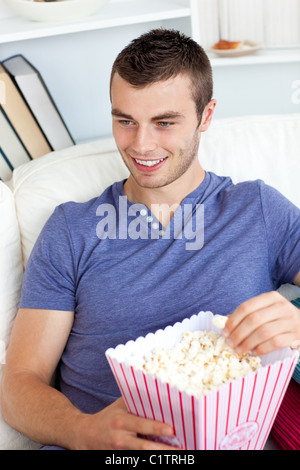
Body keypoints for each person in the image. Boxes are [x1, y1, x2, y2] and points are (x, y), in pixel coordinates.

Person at [1, 29, 300, 451]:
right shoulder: (72, 230)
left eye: (164, 123)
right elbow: (18, 386)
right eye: (125, 121)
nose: (141, 145)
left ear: (206, 116)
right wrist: (84, 432)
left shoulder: (257, 208)